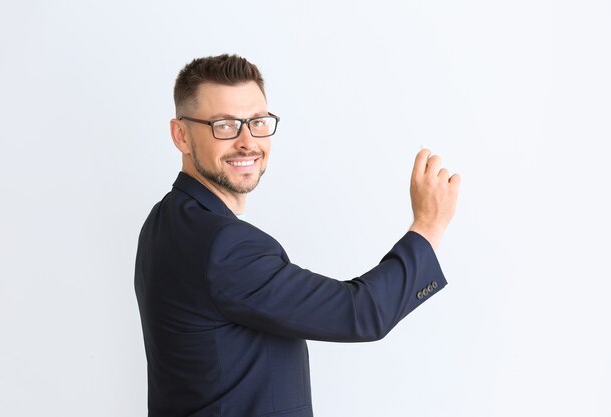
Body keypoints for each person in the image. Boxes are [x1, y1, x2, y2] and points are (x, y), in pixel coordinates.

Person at [134, 54, 460, 417]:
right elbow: (361, 311)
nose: (247, 142)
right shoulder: (225, 246)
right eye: (224, 125)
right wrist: (429, 226)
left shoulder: (163, 220)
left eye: (257, 122)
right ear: (181, 134)